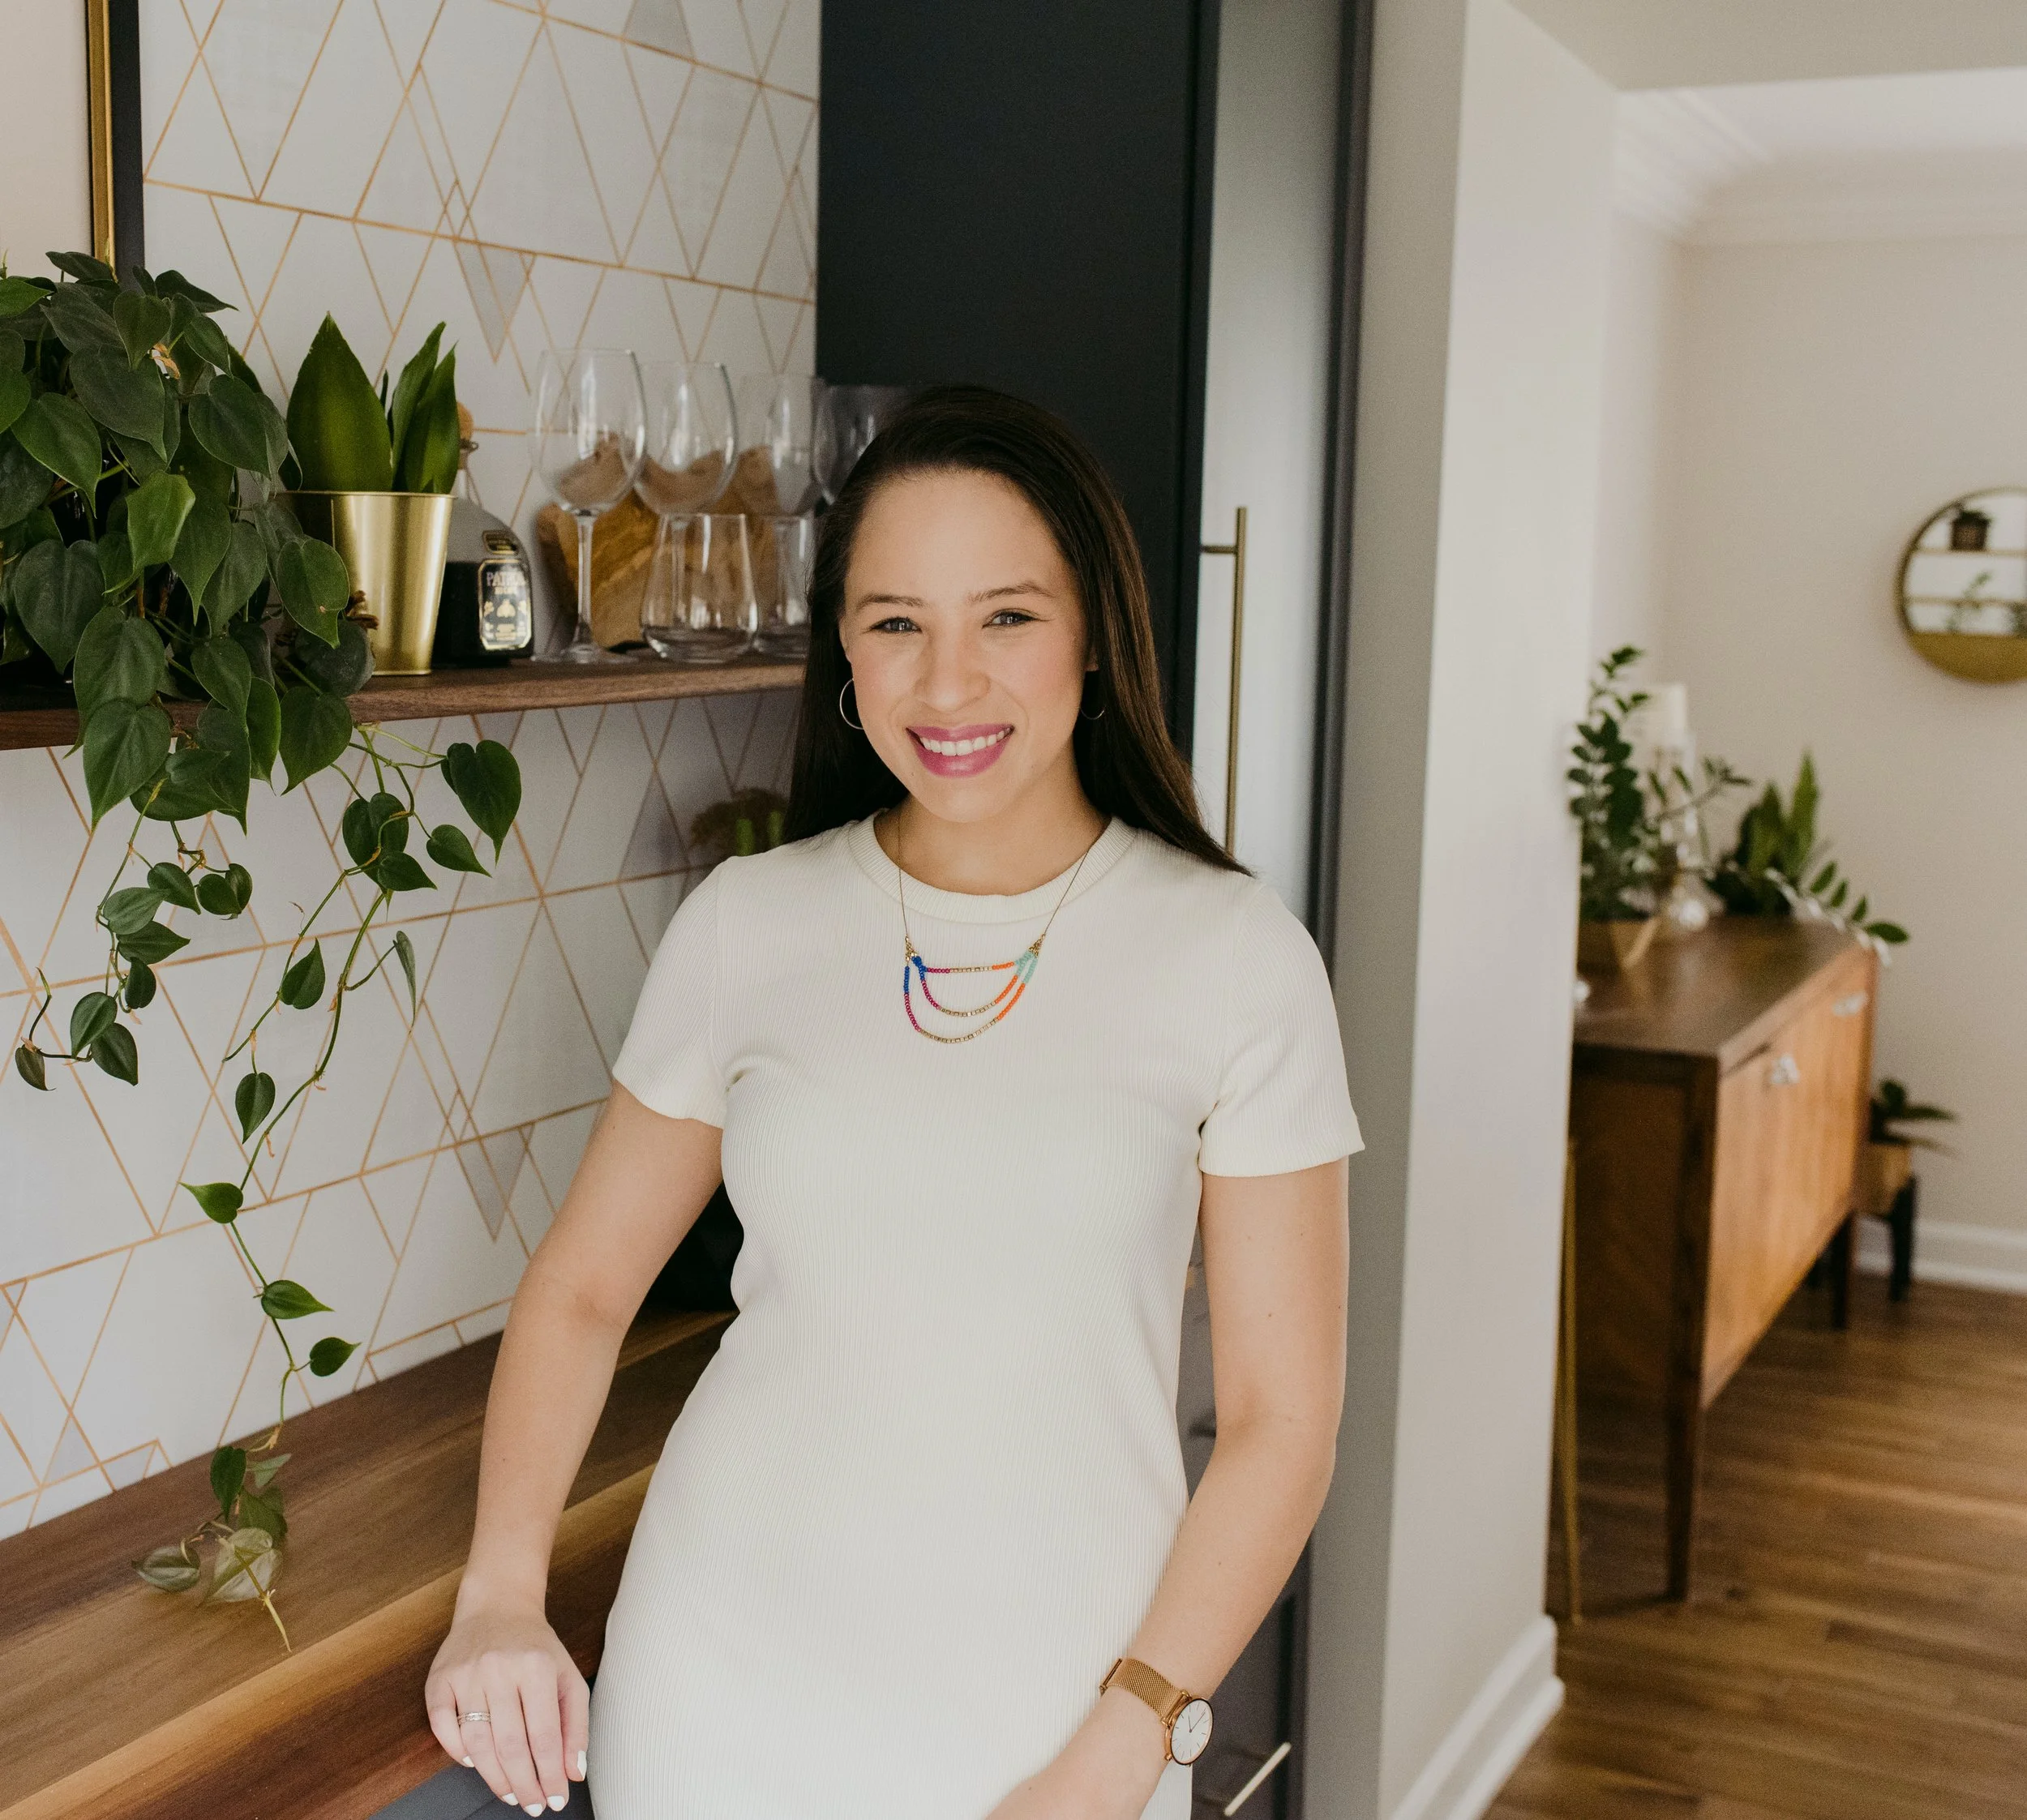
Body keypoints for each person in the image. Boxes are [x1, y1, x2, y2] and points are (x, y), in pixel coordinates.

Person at [424, 386, 1360, 1819]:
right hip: (717, 1686)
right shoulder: (751, 923)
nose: (947, 684)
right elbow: (583, 1291)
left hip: (1060, 1726)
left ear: (1094, 631)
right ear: (844, 654)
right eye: (895, 622)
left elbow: (1282, 1422)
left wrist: (1131, 1743)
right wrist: (501, 1588)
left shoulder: (1236, 960)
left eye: (1007, 617)